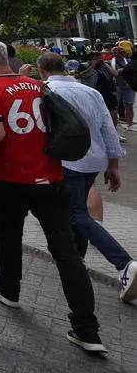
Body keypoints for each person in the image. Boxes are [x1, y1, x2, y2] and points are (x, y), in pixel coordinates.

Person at [0, 38, 105, 354]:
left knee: (8, 236)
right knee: (66, 252)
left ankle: (9, 288)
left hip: (10, 178)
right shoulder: (38, 85)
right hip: (51, 176)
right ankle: (87, 328)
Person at [36, 52, 137, 302]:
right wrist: (114, 165)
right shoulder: (89, 92)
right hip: (94, 159)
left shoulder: (45, 91)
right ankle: (76, 263)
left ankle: (123, 262)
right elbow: (108, 128)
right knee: (78, 211)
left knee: (76, 213)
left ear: (41, 70)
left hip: (68, 159)